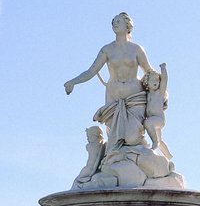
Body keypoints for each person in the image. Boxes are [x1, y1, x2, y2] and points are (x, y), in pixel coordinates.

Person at [63, 12, 156, 150]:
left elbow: (149, 71)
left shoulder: (136, 49)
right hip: (113, 95)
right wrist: (73, 82)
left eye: (119, 21)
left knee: (133, 137)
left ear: (128, 26)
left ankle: (145, 154)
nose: (115, 24)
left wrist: (160, 85)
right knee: (114, 138)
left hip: (134, 96)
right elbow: (92, 71)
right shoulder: (107, 49)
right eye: (114, 22)